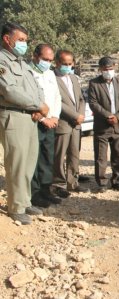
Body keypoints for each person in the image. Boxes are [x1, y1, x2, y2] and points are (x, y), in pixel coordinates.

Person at [0, 22, 49, 224]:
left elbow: (36, 87)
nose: (24, 44)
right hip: (13, 116)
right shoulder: (2, 61)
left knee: (29, 162)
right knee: (17, 164)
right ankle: (16, 206)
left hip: (30, 117)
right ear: (6, 39)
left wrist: (39, 107)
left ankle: (25, 200)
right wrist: (37, 104)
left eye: (25, 41)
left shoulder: (21, 63)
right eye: (20, 40)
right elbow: (9, 90)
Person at [88, 56, 119, 193]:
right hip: (102, 125)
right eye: (105, 69)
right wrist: (108, 116)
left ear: (115, 67)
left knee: (117, 155)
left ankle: (117, 181)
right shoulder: (94, 83)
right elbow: (93, 103)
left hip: (117, 125)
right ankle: (102, 183)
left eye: (110, 69)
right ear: (100, 69)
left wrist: (117, 117)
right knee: (101, 156)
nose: (108, 71)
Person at [29, 44, 63, 208]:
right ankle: (34, 194)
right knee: (34, 159)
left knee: (47, 158)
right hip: (36, 122)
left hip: (51, 122)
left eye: (50, 60)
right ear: (35, 56)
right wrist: (44, 119)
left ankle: (45, 190)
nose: (48, 63)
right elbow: (30, 99)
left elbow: (56, 97)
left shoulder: (50, 73)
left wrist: (55, 116)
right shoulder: (28, 72)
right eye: (45, 59)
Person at [53, 50, 87, 198]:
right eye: (64, 64)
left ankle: (73, 182)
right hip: (63, 122)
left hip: (76, 124)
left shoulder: (73, 78)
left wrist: (80, 114)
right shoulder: (52, 78)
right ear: (57, 63)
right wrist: (74, 115)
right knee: (59, 155)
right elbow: (56, 101)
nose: (67, 66)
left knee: (74, 154)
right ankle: (58, 184)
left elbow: (80, 98)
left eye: (70, 64)